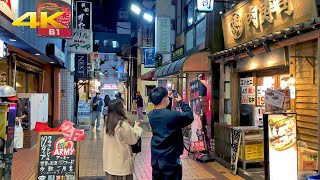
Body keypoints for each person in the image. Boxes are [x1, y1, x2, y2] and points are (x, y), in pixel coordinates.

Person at [148, 87, 194, 180]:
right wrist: (181, 101)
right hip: (170, 159)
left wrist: (168, 102)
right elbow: (189, 116)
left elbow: (166, 116)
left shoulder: (151, 114)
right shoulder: (172, 115)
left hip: (156, 159)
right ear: (164, 99)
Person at [103, 99, 143, 180]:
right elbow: (133, 139)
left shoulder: (108, 123)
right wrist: (136, 127)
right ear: (119, 109)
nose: (125, 107)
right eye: (123, 105)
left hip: (110, 163)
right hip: (121, 164)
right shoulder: (122, 124)